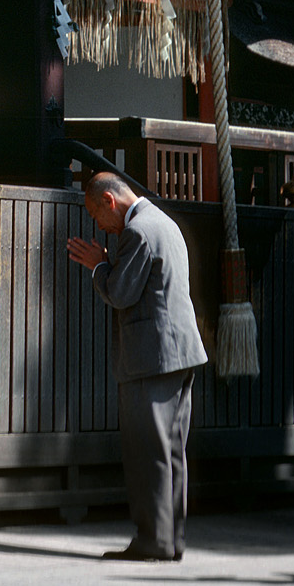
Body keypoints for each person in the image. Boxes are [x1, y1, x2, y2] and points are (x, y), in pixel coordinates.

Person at [67, 171, 207, 562]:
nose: (102, 227)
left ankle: (152, 540)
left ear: (109, 201)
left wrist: (99, 266)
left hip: (151, 356)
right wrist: (112, 262)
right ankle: (170, 539)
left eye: (98, 216)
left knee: (148, 451)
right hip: (180, 353)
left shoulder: (138, 232)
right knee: (171, 452)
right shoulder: (164, 223)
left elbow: (120, 292)